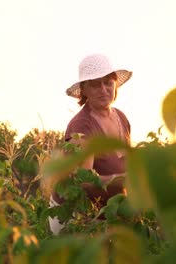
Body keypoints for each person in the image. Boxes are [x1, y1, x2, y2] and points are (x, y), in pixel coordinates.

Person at [49, 54, 132, 235]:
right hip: (75, 216)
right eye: (95, 84)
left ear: (115, 84)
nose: (103, 89)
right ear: (84, 90)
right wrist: (122, 179)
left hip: (107, 211)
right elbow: (83, 182)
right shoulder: (82, 126)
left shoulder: (121, 118)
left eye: (107, 82)